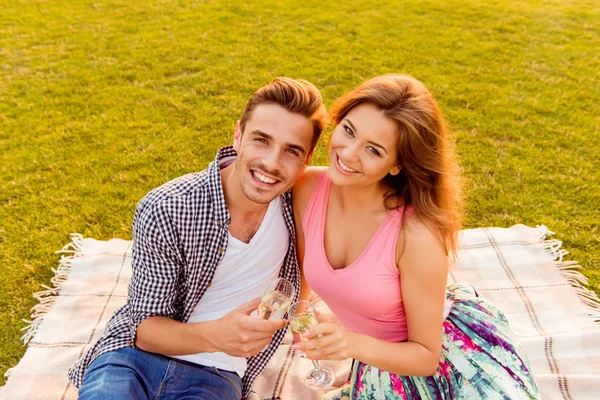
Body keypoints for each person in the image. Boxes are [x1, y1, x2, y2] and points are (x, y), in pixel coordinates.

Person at [68, 77, 327, 399]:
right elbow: (146, 331)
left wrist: (299, 309)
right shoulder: (166, 208)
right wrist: (218, 336)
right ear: (237, 135)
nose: (272, 164)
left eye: (291, 151)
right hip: (131, 358)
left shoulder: (300, 204)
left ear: (308, 159)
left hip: (217, 374)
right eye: (261, 140)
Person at [291, 74, 540, 399]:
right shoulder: (306, 188)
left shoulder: (416, 234)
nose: (349, 153)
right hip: (373, 359)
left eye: (374, 150)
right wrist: (300, 313)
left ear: (397, 165)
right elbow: (303, 262)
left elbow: (426, 356)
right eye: (349, 130)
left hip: (445, 360)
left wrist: (351, 343)